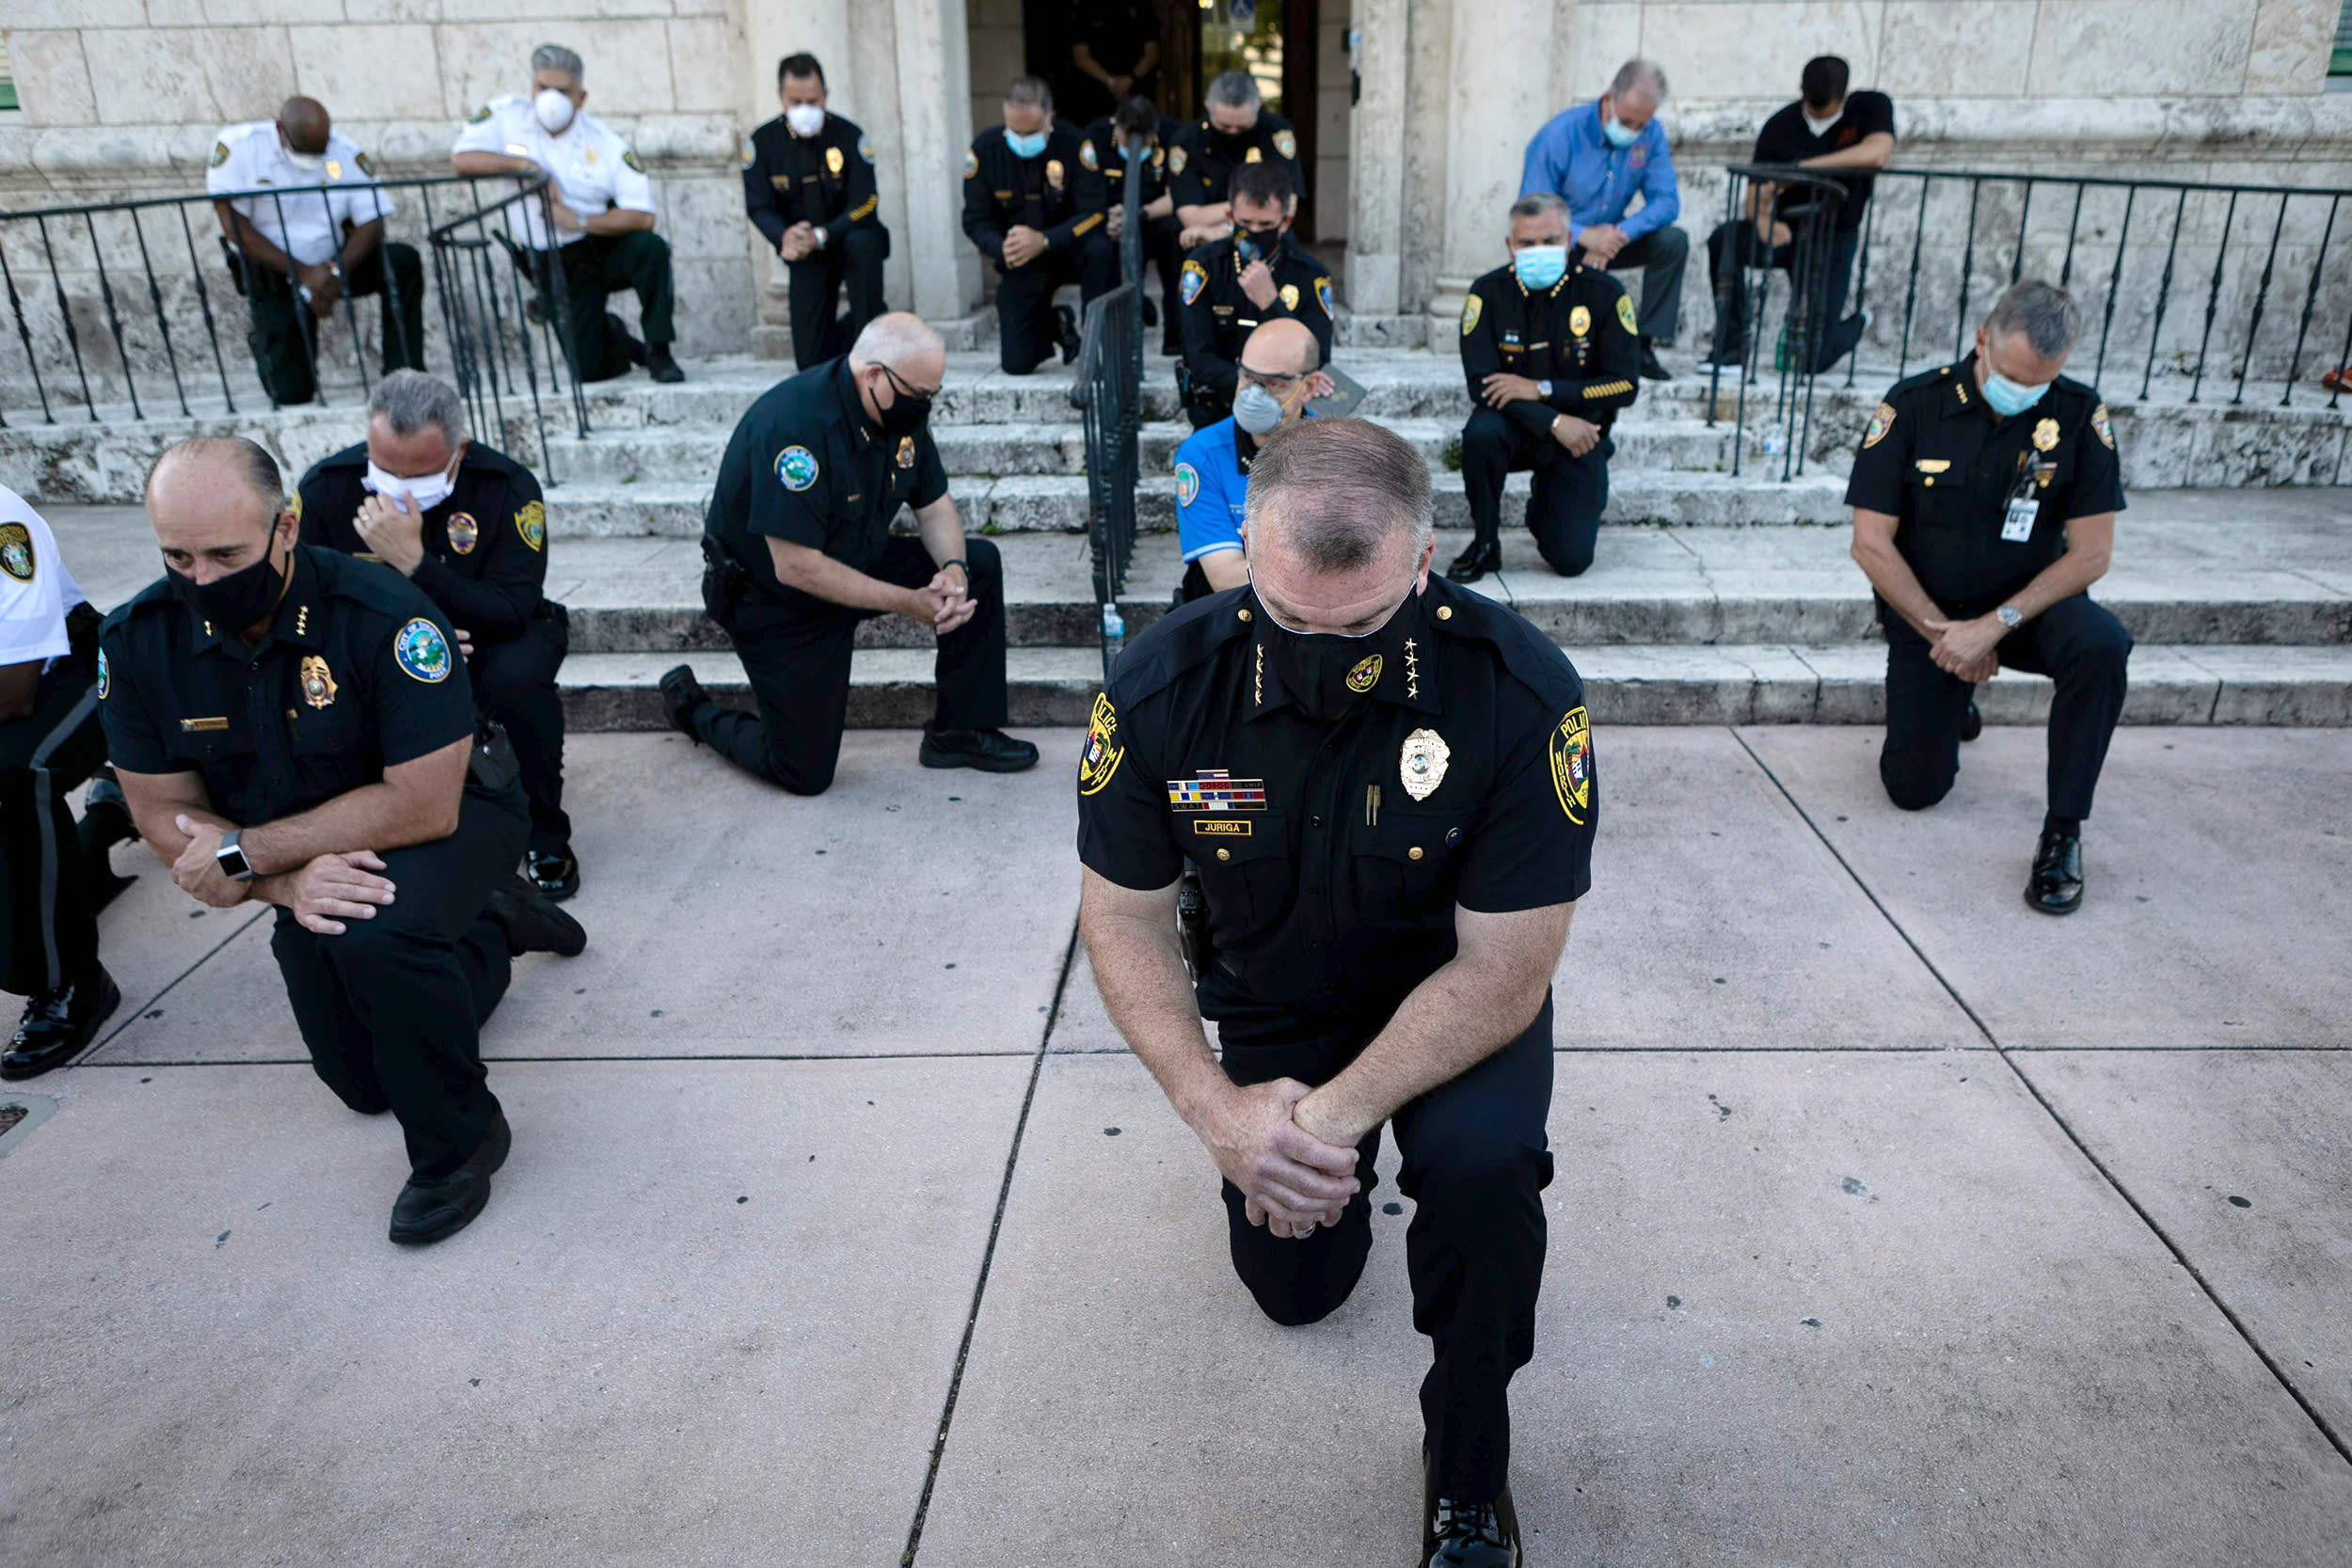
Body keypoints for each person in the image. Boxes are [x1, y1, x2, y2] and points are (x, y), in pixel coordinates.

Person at [1076, 418, 1594, 1568]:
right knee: (1297, 1290)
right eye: (1284, 614)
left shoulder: (1515, 689)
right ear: (1244, 542)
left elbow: (1508, 965)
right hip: (1275, 1000)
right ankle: (1321, 1199)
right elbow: (1121, 917)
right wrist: (1224, 1115)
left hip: (1452, 1000)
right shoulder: (1165, 683)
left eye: (1355, 623)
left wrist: (1324, 1121)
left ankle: (1468, 1466)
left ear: (1423, 562)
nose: (1315, 650)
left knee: (1482, 1169)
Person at [98, 437, 584, 1244]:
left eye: (225, 553)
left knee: (376, 934)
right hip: (299, 852)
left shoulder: (383, 613)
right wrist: (283, 883)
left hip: (456, 811)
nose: (202, 580)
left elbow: (422, 803)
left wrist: (252, 853)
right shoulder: (140, 640)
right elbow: (164, 812)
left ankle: (461, 1143)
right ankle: (490, 928)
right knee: (365, 1080)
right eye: (176, 556)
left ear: (285, 527)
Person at [660, 314, 1040, 791]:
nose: (926, 406)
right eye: (920, 394)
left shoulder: (898, 410)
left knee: (979, 562)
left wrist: (953, 570)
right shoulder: (796, 427)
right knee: (803, 772)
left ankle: (959, 731)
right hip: (777, 600)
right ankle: (694, 712)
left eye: (932, 394)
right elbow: (796, 566)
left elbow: (934, 505)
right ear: (875, 375)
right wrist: (909, 602)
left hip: (852, 559)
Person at [1846, 280, 2130, 914]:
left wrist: (1994, 626)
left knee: (2103, 645)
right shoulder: (1913, 405)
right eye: (2011, 376)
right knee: (1912, 788)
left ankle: (2063, 832)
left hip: (2026, 611)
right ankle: (1955, 698)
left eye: (2041, 381)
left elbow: (2092, 554)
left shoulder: (2080, 415)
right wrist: (1948, 638)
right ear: (1981, 339)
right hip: (1931, 617)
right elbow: (1870, 543)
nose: (2024, 393)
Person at [294, 371, 580, 901]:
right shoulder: (326, 490)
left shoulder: (506, 487)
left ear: (459, 451)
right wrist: (413, 634)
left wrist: (415, 562)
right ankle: (372, 822)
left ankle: (545, 834)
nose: (400, 489)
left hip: (491, 636)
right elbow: (307, 605)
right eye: (385, 470)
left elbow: (513, 608)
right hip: (379, 646)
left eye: (418, 474)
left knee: (519, 678)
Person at [1, 485, 137, 1081]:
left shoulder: (5, 524)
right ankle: (111, 812)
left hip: (75, 668)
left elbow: (14, 692)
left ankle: (70, 982)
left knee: (13, 777)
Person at [452, 43, 684, 385]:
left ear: (581, 97)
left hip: (594, 245)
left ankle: (660, 350)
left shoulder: (603, 141)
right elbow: (462, 160)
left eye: (561, 91)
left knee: (651, 248)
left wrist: (582, 221)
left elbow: (642, 215)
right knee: (590, 372)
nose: (550, 99)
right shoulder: (507, 116)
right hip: (549, 261)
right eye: (542, 89)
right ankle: (617, 336)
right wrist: (525, 167)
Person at [1450, 192, 1640, 584]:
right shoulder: (1487, 293)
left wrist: (1542, 389)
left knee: (1571, 560)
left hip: (1580, 437)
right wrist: (1553, 420)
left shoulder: (1603, 294)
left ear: (1570, 241)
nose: (1540, 251)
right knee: (1480, 434)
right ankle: (1485, 543)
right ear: (1510, 246)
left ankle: (1546, 504)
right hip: (1515, 427)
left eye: (1550, 242)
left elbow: (1624, 386)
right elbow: (1482, 385)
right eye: (1527, 243)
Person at [206, 96, 423, 408]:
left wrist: (333, 272)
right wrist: (305, 274)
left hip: (334, 263)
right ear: (280, 129)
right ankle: (266, 342)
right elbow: (234, 226)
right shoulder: (240, 148)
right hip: (274, 269)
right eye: (303, 151)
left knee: (402, 262)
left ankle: (404, 377)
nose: (312, 159)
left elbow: (372, 220)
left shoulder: (344, 152)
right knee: (292, 393)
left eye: (318, 152)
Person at [1704, 55, 1893, 375]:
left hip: (1834, 238)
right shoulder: (1782, 125)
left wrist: (1802, 170)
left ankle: (1859, 322)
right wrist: (1765, 224)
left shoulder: (1869, 107)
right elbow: (1754, 195)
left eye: (1827, 109)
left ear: (1845, 95)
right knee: (1726, 239)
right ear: (1800, 90)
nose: (1819, 114)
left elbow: (1877, 152)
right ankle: (1731, 345)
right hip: (1787, 233)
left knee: (1813, 358)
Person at [1519, 59, 1685, 381]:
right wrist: (1581, 235)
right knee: (1539, 253)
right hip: (1559, 242)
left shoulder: (1650, 134)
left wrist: (1618, 234)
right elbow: (1533, 207)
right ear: (1608, 98)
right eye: (1626, 121)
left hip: (1611, 239)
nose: (1634, 131)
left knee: (1672, 242)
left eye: (1641, 124)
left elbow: (1666, 201)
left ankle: (1644, 346)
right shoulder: (1560, 134)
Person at [961, 77, 1118, 376]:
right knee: (1017, 364)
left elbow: (1095, 212)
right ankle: (1056, 323)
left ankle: (1099, 343)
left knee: (1102, 250)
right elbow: (974, 219)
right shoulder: (985, 149)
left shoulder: (1075, 143)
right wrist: (1002, 248)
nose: (1021, 138)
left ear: (1050, 118)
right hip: (1021, 258)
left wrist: (1046, 240)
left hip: (1072, 248)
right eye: (1014, 131)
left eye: (1030, 132)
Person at [744, 53, 889, 369]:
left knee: (864, 243)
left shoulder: (849, 136)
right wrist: (784, 236)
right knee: (809, 360)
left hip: (849, 239)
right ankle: (842, 338)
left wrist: (824, 234)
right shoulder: (763, 142)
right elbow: (758, 205)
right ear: (781, 98)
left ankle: (872, 330)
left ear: (825, 95)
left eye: (813, 100)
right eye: (795, 102)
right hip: (805, 250)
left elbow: (867, 202)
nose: (805, 109)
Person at [1171, 318, 1330, 600]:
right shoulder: (1202, 455)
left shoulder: (1335, 452)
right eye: (1247, 377)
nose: (1253, 395)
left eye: (1274, 384)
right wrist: (1323, 570)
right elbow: (1226, 577)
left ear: (1309, 387)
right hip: (1231, 616)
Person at [1175, 160, 1333, 430]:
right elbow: (1199, 358)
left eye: (1266, 224)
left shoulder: (1311, 275)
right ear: (1230, 218)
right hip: (1217, 406)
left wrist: (1271, 303)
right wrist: (1261, 386)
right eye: (1246, 223)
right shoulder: (1204, 266)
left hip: (1285, 412)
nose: (1255, 233)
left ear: (1285, 222)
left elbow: (1315, 355)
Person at [1080, 95, 1186, 356]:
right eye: (1128, 138)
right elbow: (1085, 190)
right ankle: (1099, 336)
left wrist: (1138, 214)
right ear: (1116, 125)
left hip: (1155, 216)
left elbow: (1180, 195)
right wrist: (1111, 219)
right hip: (1110, 220)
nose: (1137, 144)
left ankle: (1176, 334)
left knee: (1176, 243)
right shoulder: (1096, 135)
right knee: (1097, 251)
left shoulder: (1175, 135)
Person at [1169, 71, 1302, 245]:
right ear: (1207, 106)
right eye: (1224, 126)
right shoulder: (1187, 141)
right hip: (1203, 246)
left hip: (1265, 242)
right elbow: (1192, 218)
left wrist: (1221, 230)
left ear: (1259, 107)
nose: (1233, 133)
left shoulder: (1276, 133)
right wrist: (1257, 209)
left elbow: (1287, 207)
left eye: (1242, 127)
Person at [1069, 0, 1162, 125]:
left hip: (1136, 94)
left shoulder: (1142, 6)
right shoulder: (1087, 7)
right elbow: (1080, 55)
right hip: (1095, 97)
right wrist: (1110, 82)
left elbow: (1152, 52)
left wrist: (1130, 80)